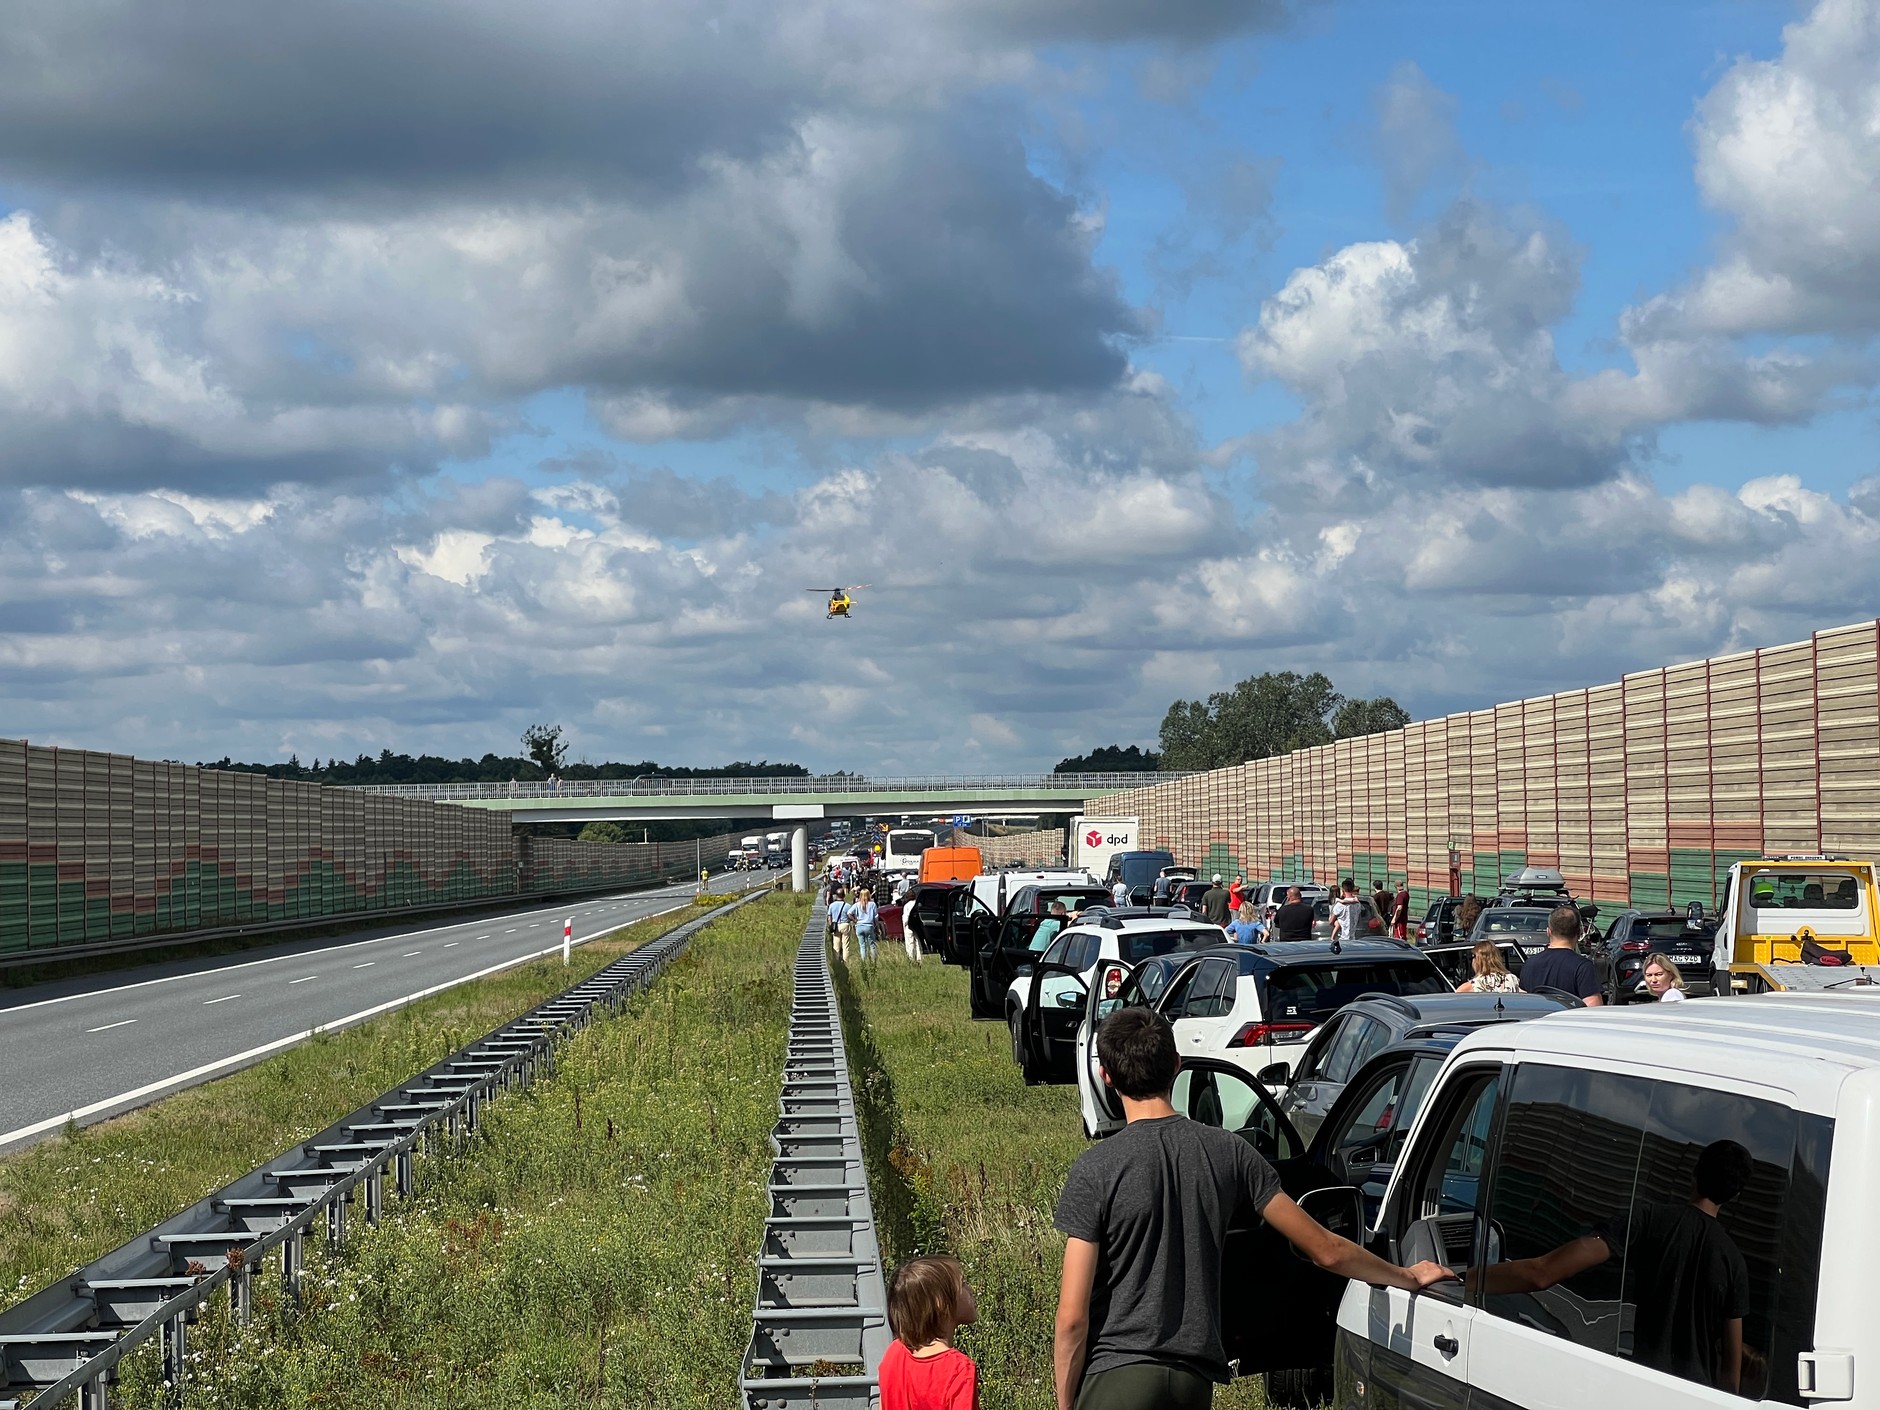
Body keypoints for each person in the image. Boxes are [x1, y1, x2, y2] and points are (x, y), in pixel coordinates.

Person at [1052, 1007, 1455, 1410]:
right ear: (1176, 1065)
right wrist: (1406, 1276)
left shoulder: (1096, 1168)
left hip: (1116, 1377)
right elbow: (1326, 1250)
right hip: (1192, 1383)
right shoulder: (1228, 1151)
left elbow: (1072, 1316)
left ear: (1106, 1074)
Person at [1468, 1140, 1751, 1393]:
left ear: (1695, 1172)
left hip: (1638, 1387)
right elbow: (1731, 1373)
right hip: (1696, 1400)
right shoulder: (1734, 1262)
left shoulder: (1650, 1220)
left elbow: (1543, 1273)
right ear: (1735, 1195)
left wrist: (1463, 1279)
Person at [880, 1254, 979, 1410]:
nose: (971, 1290)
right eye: (963, 1284)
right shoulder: (958, 1370)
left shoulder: (894, 1353)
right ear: (941, 1302)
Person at [1517, 907, 1604, 1004]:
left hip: (1537, 1019)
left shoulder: (1529, 964)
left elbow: (1523, 1002)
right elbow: (1593, 1008)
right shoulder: (1583, 967)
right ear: (1579, 933)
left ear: (1548, 932)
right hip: (1567, 1019)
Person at [1455, 940, 1520, 993]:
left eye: (1473, 957)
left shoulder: (1473, 985)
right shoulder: (1512, 979)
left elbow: (1454, 1002)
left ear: (1478, 960)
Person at [1329, 878, 1365, 945]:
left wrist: (1337, 923)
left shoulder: (1339, 905)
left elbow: (1331, 921)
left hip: (1342, 940)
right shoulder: (1358, 904)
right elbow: (1359, 920)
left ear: (1343, 890)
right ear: (1353, 889)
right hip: (1354, 939)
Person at [853, 887, 880, 962]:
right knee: (872, 945)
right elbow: (876, 917)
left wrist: (855, 920)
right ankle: (874, 961)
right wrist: (877, 928)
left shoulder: (857, 904)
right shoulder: (872, 904)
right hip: (869, 926)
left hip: (859, 926)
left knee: (862, 946)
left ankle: (864, 961)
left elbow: (849, 912)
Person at [829, 891, 853, 961]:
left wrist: (831, 925)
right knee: (846, 944)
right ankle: (845, 960)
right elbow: (850, 915)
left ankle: (836, 960)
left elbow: (829, 917)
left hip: (836, 925)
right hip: (845, 924)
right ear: (844, 896)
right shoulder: (848, 906)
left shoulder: (832, 905)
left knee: (836, 944)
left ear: (836, 896)